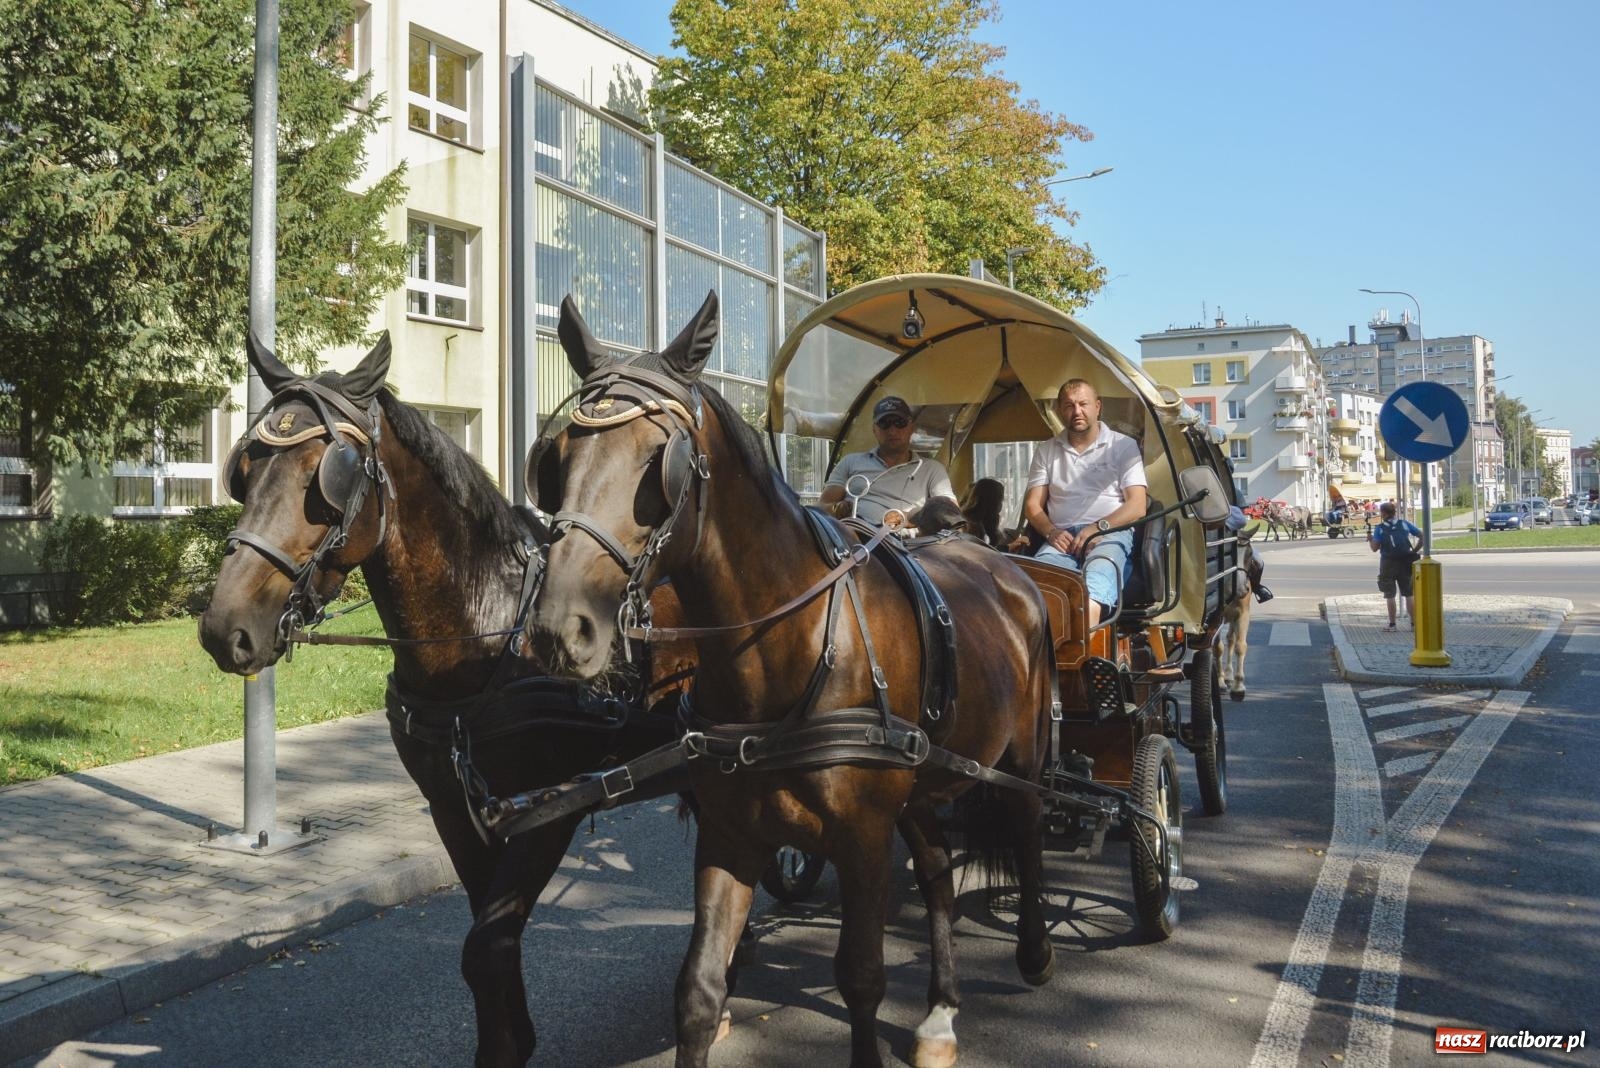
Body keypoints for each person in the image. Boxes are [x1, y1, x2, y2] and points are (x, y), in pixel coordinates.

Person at [1022, 379, 1148, 628]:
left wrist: (1097, 527)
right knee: (1038, 594)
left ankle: (1078, 666)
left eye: (1083, 404)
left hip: (1109, 535)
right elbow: (1032, 506)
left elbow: (1137, 506)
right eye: (1069, 406)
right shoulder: (1046, 450)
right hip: (1061, 540)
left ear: (1098, 407)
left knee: (1090, 593)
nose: (1076, 411)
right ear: (1060, 411)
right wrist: (1051, 531)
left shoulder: (1123, 446)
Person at [820, 396, 957, 527]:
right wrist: (836, 509)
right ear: (874, 429)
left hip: (909, 544)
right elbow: (821, 506)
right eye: (884, 424)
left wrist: (905, 518)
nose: (892, 431)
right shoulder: (850, 462)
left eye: (900, 423)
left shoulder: (932, 469)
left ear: (911, 428)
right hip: (854, 537)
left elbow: (950, 510)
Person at [1369, 500, 1421, 630]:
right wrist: (1414, 551)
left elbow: (1374, 548)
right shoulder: (1404, 524)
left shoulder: (1380, 528)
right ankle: (1414, 624)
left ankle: (1392, 625)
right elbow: (1422, 535)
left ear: (1384, 513)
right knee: (1409, 594)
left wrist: (1370, 539)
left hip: (1387, 563)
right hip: (1405, 561)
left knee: (1390, 595)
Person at [960, 477, 1008, 547]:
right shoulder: (974, 529)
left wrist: (1008, 547)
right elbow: (986, 552)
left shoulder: (965, 520)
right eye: (1000, 500)